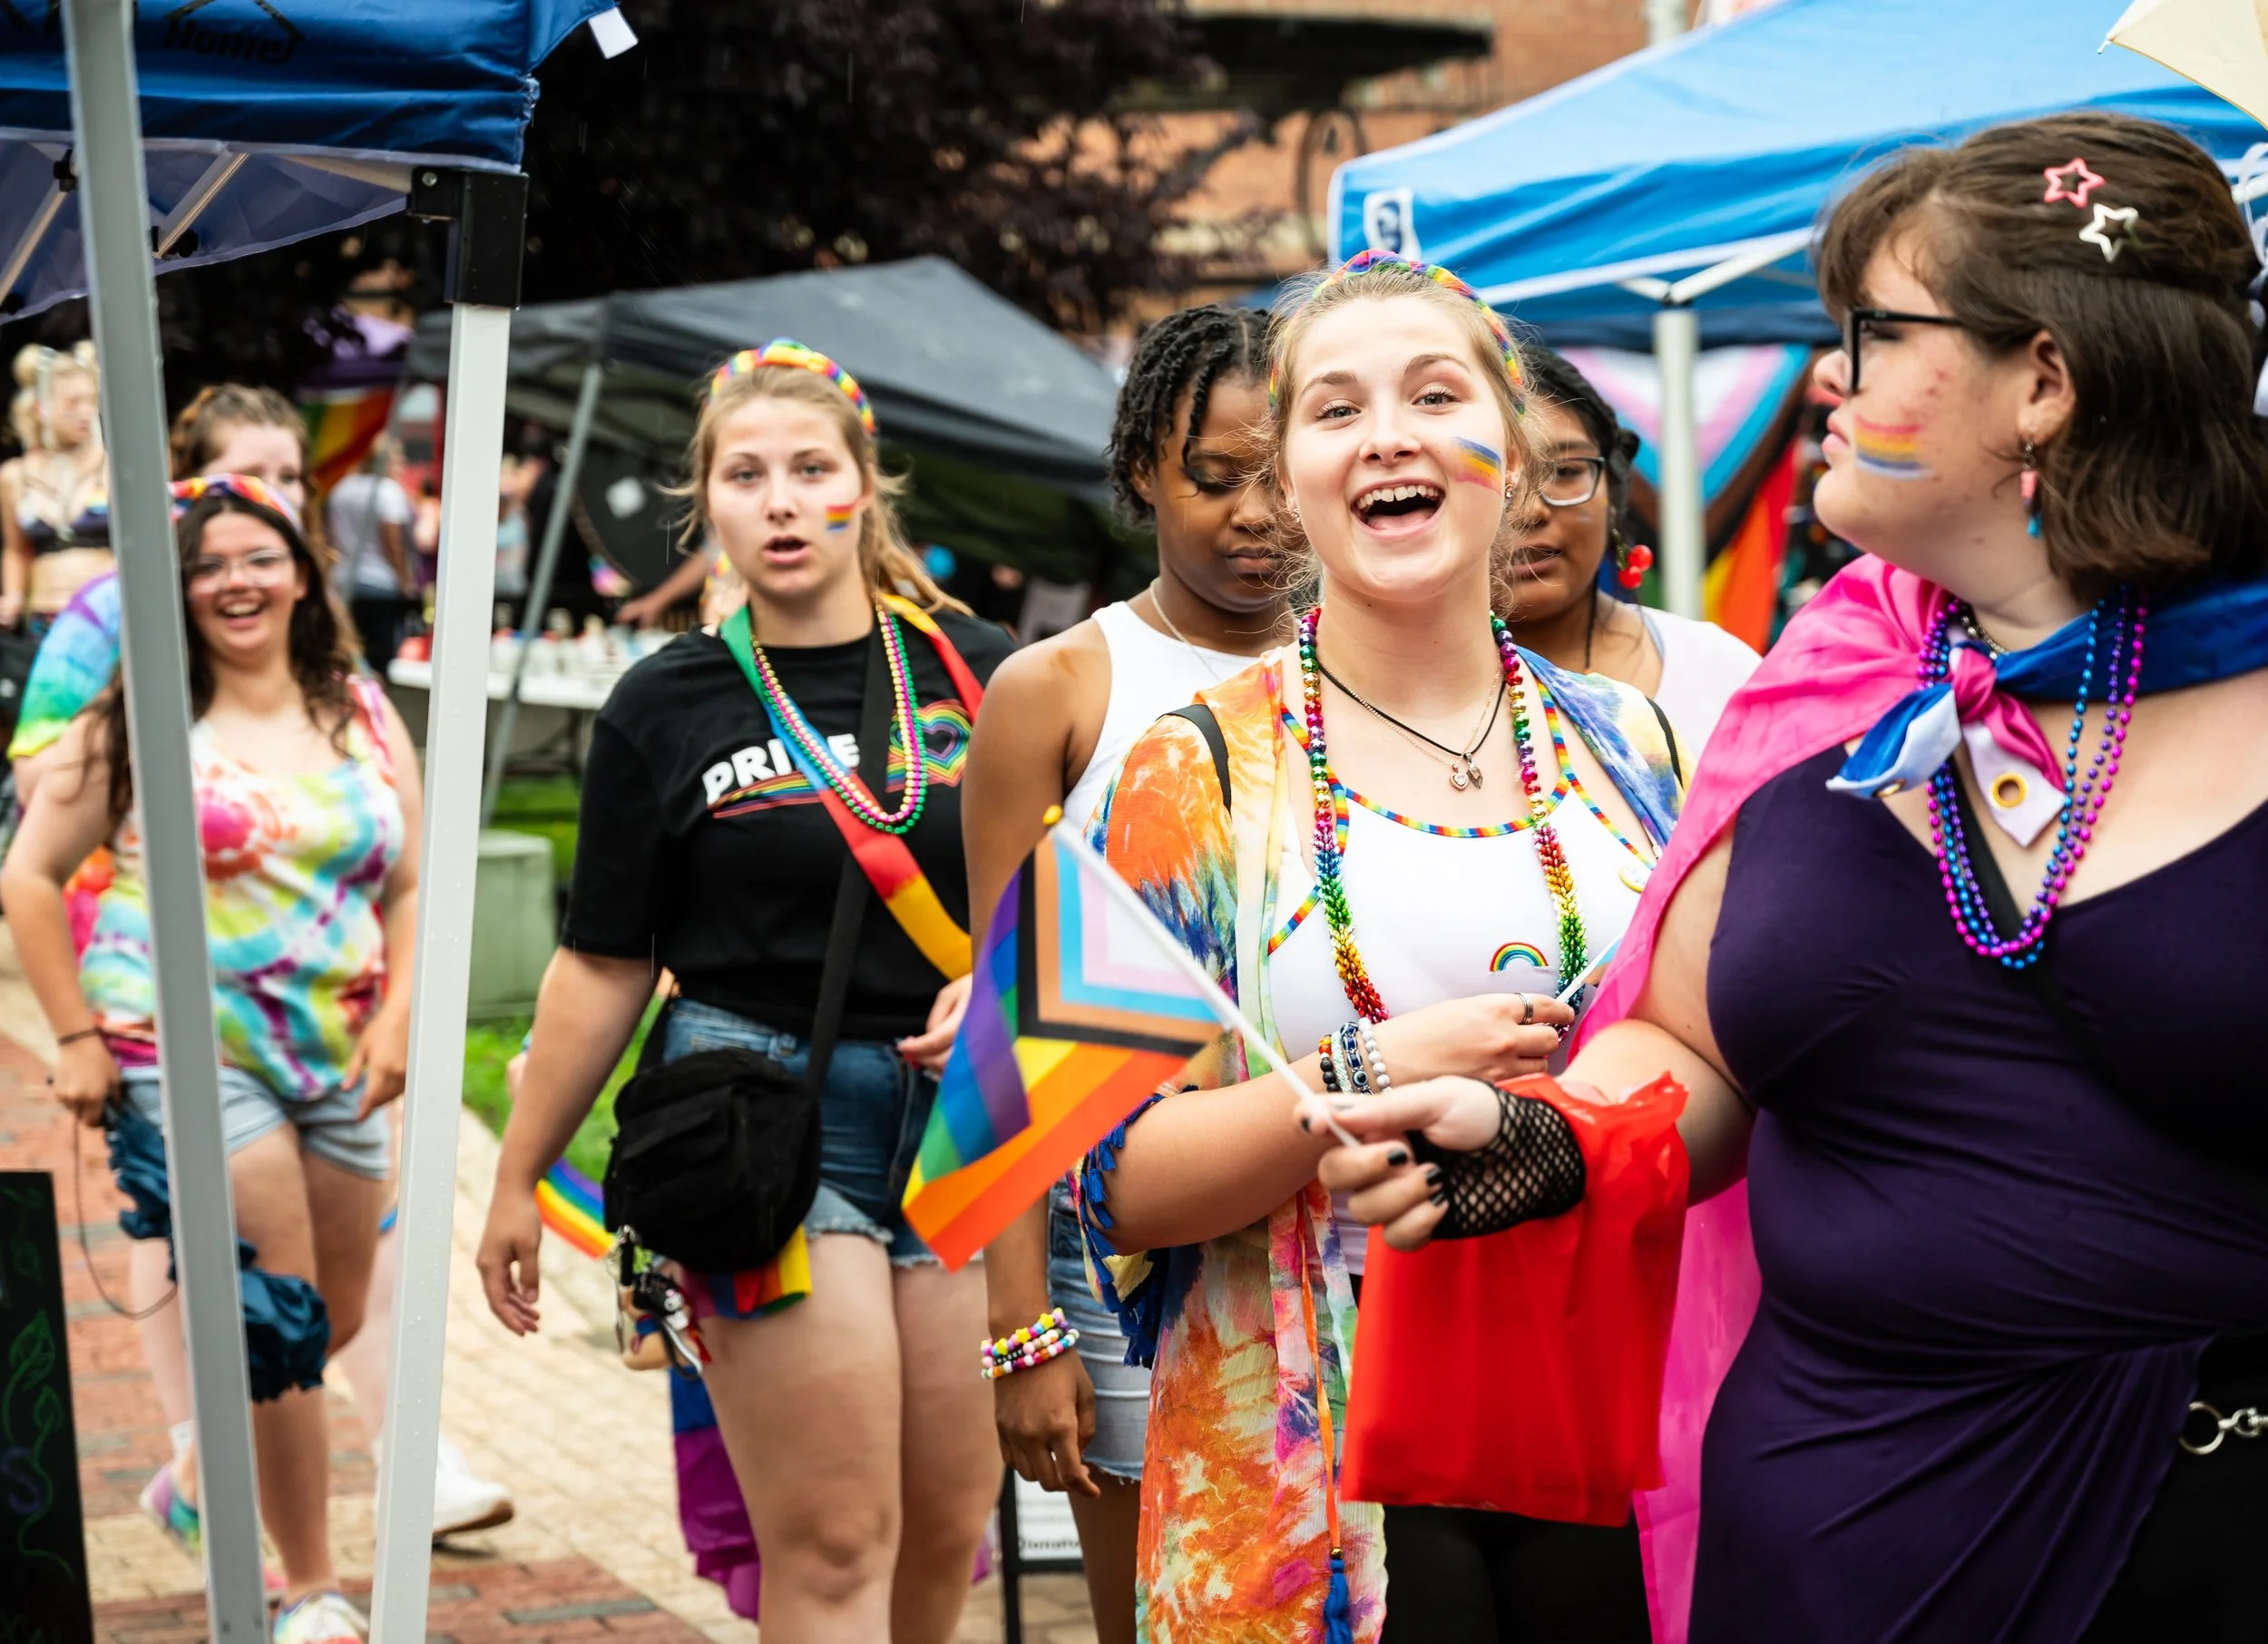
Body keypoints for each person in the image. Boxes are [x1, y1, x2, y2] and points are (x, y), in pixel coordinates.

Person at [1309, 113, 2268, 1643]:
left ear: (2046, 378)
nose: (1829, 376)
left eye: (1876, 334)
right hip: (1828, 1533)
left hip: (2204, 1533)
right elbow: (1690, 1046)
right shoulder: (1842, 678)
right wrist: (1526, 1138)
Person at [1071, 253, 1682, 1642]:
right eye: (1335, 410)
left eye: (1435, 393)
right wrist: (1359, 1067)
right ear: (1285, 478)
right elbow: (1111, 1185)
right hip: (1307, 1472)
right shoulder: (1176, 768)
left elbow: (1710, 1070)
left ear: (1516, 456)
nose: (1390, 433)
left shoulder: (1634, 745)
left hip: (1599, 1425)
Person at [476, 338, 1012, 1644]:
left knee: (948, 1527)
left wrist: (999, 992)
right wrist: (516, 1180)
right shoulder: (665, 703)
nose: (779, 501)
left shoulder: (983, 671)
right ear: (704, 502)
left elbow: (1068, 894)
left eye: (811, 470)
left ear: (865, 487)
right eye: (745, 474)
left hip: (962, 1125)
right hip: (764, 1120)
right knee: (835, 1542)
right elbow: (605, 957)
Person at [6, 387, 513, 1553]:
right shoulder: (135, 716)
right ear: (174, 592)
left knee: (317, 1321)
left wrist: (397, 1023)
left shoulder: (362, 710)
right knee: (279, 1302)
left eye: (261, 557)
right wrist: (78, 1036)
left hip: (334, 1051)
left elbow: (412, 880)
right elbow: (28, 873)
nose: (236, 581)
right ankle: (311, 1586)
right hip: (185, 1045)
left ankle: (204, 1473)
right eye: (207, 565)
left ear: (301, 572)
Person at [961, 303, 1281, 1644]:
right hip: (1125, 1260)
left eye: (1283, 474)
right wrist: (1021, 1323)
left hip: (1363, 1236)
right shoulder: (1062, 689)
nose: (1260, 513)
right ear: (1144, 466)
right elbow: (1006, 1030)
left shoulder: (1377, 676)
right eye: (1217, 478)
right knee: (1164, 1614)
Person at [1506, 350, 1761, 758]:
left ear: (1614, 493)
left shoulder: (1719, 670)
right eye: (1497, 477)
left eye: (1564, 472)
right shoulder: (1387, 699)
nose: (1529, 510)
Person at [2, 343, 112, 636]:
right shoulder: (14, 476)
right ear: (40, 408)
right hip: (44, 618)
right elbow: (16, 549)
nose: (84, 412)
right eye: (73, 403)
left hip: (107, 615)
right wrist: (13, 598)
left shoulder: (112, 467)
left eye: (91, 401)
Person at [327, 440, 417, 665]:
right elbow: (392, 541)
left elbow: (330, 534)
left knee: (348, 654)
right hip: (380, 584)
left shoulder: (342, 488)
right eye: (397, 460)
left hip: (343, 580)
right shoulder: (387, 491)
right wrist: (405, 579)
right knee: (379, 657)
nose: (401, 465)